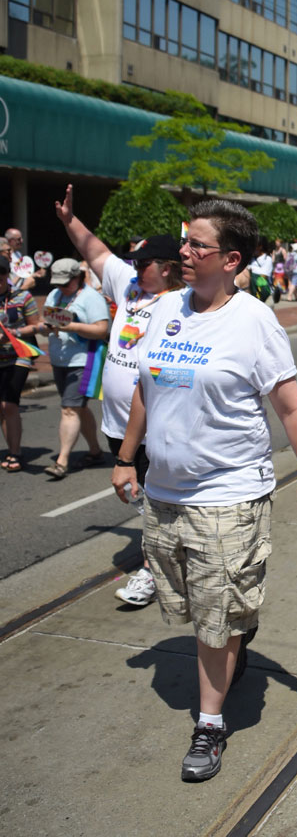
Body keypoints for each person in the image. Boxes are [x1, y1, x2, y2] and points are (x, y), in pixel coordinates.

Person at [112, 199, 297, 782]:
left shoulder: (253, 319)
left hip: (229, 492)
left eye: (196, 246)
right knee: (191, 606)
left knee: (213, 619)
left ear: (231, 259)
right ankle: (240, 626)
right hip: (164, 493)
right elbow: (145, 387)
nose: (182, 252)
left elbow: (288, 405)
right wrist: (124, 457)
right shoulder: (164, 310)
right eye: (185, 243)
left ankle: (209, 725)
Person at [54, 183, 183, 606]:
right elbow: (95, 252)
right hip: (116, 423)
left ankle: (153, 570)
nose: (137, 267)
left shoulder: (182, 303)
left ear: (166, 268)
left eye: (145, 262)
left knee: (156, 496)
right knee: (139, 495)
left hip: (158, 425)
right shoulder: (129, 284)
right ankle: (169, 548)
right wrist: (69, 219)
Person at [39, 258, 110, 478]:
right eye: (58, 283)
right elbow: (47, 320)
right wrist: (45, 328)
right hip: (60, 360)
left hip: (83, 360)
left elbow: (101, 330)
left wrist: (72, 326)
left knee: (69, 409)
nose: (61, 287)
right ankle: (95, 451)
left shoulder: (91, 298)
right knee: (78, 408)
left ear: (77, 277)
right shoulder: (55, 295)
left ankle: (62, 461)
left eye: (65, 283)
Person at [0, 255, 41, 471]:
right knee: (2, 408)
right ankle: (12, 448)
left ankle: (15, 454)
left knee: (9, 404)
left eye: (2, 273)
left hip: (19, 355)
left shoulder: (22, 296)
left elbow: (37, 326)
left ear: (8, 275)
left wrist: (13, 333)